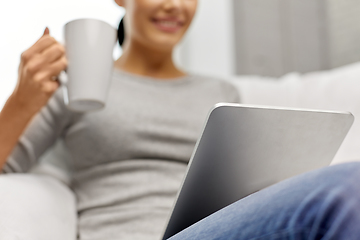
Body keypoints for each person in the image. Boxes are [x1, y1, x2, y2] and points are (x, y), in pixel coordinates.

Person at [0, 0, 360, 239]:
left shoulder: (219, 91)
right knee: (347, 185)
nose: (174, 4)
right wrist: (21, 100)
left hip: (226, 228)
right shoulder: (74, 83)